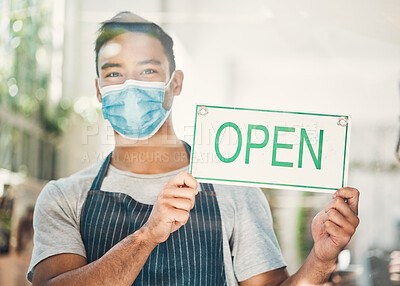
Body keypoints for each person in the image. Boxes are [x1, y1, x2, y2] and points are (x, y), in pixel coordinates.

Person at [27, 11, 360, 286]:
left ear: (176, 83)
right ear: (99, 90)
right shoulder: (63, 198)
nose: (130, 86)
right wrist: (147, 236)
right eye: (114, 73)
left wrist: (320, 260)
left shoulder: (232, 185)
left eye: (147, 70)